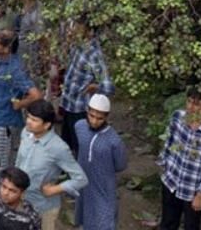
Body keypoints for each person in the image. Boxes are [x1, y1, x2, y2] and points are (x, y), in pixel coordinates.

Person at [157, 88, 201, 230]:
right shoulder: (178, 117)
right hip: (171, 181)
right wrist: (164, 164)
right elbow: (169, 140)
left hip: (192, 190)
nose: (190, 107)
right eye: (189, 102)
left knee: (191, 226)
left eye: (196, 104)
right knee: (168, 223)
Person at [15, 100, 87, 230]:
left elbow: (81, 179)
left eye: (34, 120)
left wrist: (55, 189)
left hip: (43, 207)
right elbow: (19, 161)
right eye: (28, 117)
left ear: (47, 125)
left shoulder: (58, 148)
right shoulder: (26, 133)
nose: (28, 122)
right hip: (20, 201)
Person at [0, 29, 40, 170]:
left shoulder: (15, 70)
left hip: (3, 124)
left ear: (6, 48)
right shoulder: (1, 61)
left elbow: (36, 95)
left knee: (0, 163)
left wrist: (20, 104)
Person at [58, 19, 114, 154]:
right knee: (66, 144)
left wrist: (94, 87)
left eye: (77, 26)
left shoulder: (93, 54)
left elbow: (108, 86)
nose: (73, 29)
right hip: (68, 104)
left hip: (80, 109)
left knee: (80, 147)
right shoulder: (77, 46)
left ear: (89, 31)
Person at [72, 94, 126, 230]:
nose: (95, 121)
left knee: (104, 220)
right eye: (91, 116)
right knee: (83, 214)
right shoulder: (79, 127)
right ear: (87, 112)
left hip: (103, 187)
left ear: (107, 117)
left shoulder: (114, 141)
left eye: (100, 118)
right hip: (83, 183)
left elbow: (120, 165)